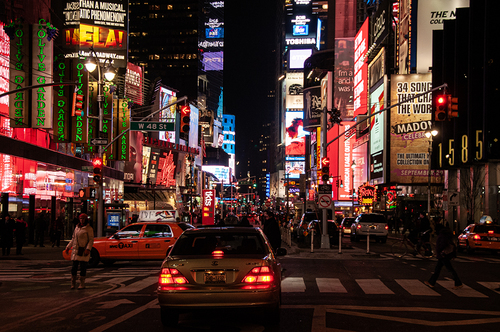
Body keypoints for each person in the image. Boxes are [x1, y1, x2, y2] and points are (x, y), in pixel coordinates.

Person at [65, 213, 94, 289]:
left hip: (83, 250)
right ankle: (73, 283)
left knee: (83, 267)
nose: (82, 220)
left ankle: (82, 283)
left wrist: (88, 249)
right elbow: (73, 238)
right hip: (76, 251)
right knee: (74, 267)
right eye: (80, 218)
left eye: (83, 218)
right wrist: (68, 247)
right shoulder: (77, 228)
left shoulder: (88, 229)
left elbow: (91, 240)